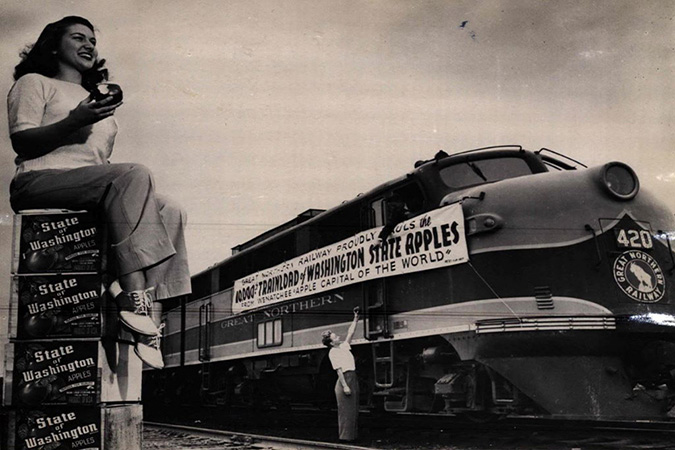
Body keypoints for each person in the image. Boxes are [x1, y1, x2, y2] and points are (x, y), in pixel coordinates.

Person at [7, 16, 191, 369]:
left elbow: (97, 160)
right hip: (39, 180)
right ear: (53, 46)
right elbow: (22, 140)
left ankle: (140, 299)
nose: (89, 45)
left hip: (84, 187)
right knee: (135, 173)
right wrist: (74, 121)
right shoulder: (35, 83)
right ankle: (133, 301)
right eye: (78, 38)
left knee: (170, 208)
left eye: (93, 39)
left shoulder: (95, 98)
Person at [321, 307, 360, 442]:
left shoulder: (343, 346)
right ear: (331, 342)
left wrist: (355, 319)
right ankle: (345, 438)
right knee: (346, 411)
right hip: (345, 380)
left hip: (352, 377)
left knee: (353, 409)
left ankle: (352, 437)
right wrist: (345, 386)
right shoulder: (333, 353)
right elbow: (338, 370)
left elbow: (351, 333)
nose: (338, 337)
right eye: (335, 337)